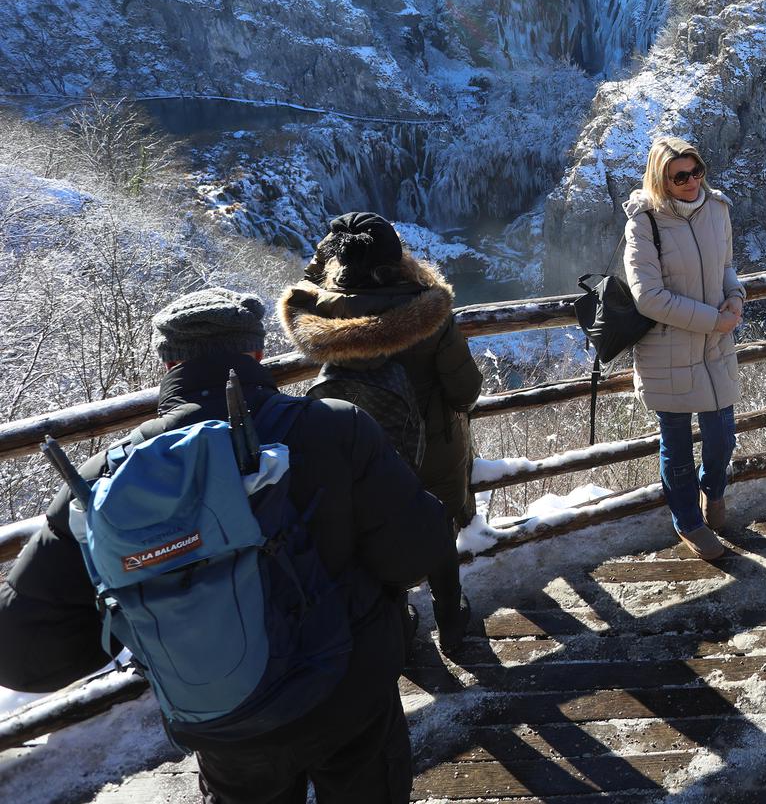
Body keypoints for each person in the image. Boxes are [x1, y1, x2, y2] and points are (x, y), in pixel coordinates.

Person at [0, 288, 451, 803]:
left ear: (167, 363)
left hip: (227, 716)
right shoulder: (336, 426)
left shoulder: (105, 481)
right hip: (349, 690)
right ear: (256, 354)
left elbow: (20, 655)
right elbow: (416, 553)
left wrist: (142, 612)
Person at [277, 211, 485, 652]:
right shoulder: (428, 312)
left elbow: (306, 287)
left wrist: (320, 265)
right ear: (396, 256)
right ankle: (451, 619)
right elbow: (465, 391)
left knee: (373, 532)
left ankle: (396, 626)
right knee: (437, 527)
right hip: (433, 448)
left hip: (360, 455)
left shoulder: (320, 316)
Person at [624, 137, 745, 561]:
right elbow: (648, 297)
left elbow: (727, 266)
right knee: (676, 442)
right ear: (661, 179)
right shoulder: (644, 222)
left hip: (715, 345)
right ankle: (687, 521)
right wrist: (715, 320)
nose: (692, 181)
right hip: (668, 350)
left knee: (722, 437)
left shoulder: (718, 209)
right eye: (680, 176)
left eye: (697, 171)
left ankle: (712, 491)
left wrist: (735, 297)